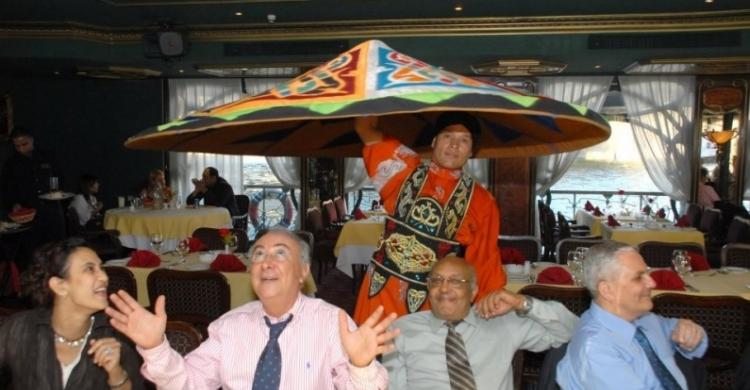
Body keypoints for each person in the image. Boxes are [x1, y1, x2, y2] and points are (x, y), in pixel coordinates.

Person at [105, 228, 399, 389]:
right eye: (258, 254)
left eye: (280, 254)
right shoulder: (230, 326)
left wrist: (361, 366)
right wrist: (156, 347)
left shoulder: (331, 323)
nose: (266, 262)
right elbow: (186, 385)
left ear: (303, 272)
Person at [352, 113, 506, 324]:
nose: (454, 145)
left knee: (424, 355)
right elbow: (365, 129)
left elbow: (485, 262)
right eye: (447, 136)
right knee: (371, 353)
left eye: (464, 140)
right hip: (380, 288)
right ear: (434, 141)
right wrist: (374, 89)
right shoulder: (404, 168)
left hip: (433, 300)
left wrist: (486, 314)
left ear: (471, 152)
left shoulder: (482, 201)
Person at [384, 256, 577, 390]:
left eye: (456, 281)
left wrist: (522, 302)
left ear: (474, 291)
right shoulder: (401, 329)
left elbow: (572, 331)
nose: (443, 288)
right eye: (436, 280)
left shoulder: (501, 322)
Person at [557, 241, 708, 389]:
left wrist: (691, 333)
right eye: (638, 278)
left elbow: (696, 343)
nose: (652, 283)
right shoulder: (595, 349)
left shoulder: (644, 319)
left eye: (647, 274)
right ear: (607, 290)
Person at [0, 238, 144, 389]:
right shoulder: (21, 328)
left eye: (101, 268)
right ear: (60, 286)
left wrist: (116, 373)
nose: (104, 277)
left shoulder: (116, 333)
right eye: (89, 269)